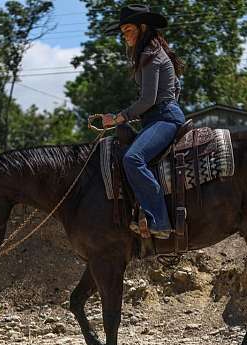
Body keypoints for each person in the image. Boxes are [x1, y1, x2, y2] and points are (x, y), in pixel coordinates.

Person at [101, 4, 185, 239]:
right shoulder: (154, 53)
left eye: (128, 30)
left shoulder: (150, 54)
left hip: (164, 119)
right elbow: (175, 87)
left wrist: (120, 117)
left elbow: (148, 99)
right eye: (123, 32)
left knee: (132, 159)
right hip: (160, 116)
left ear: (143, 27)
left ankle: (159, 220)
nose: (124, 35)